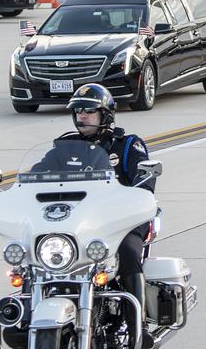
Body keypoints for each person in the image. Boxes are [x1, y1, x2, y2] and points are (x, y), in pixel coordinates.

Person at [48, 83, 156, 349]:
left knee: (129, 252)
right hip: (76, 224)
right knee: (38, 257)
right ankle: (24, 316)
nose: (82, 116)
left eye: (89, 111)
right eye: (78, 111)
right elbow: (37, 177)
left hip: (122, 222)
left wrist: (139, 186)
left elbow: (145, 181)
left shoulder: (128, 144)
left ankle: (137, 327)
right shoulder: (63, 147)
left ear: (105, 114)